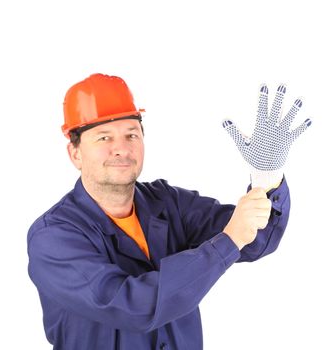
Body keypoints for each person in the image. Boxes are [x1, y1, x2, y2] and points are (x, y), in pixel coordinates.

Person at [27, 73, 311, 350]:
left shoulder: (167, 202)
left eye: (131, 134)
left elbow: (254, 240)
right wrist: (228, 241)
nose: (121, 149)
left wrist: (266, 177)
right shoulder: (53, 237)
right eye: (103, 138)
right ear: (75, 153)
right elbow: (133, 307)